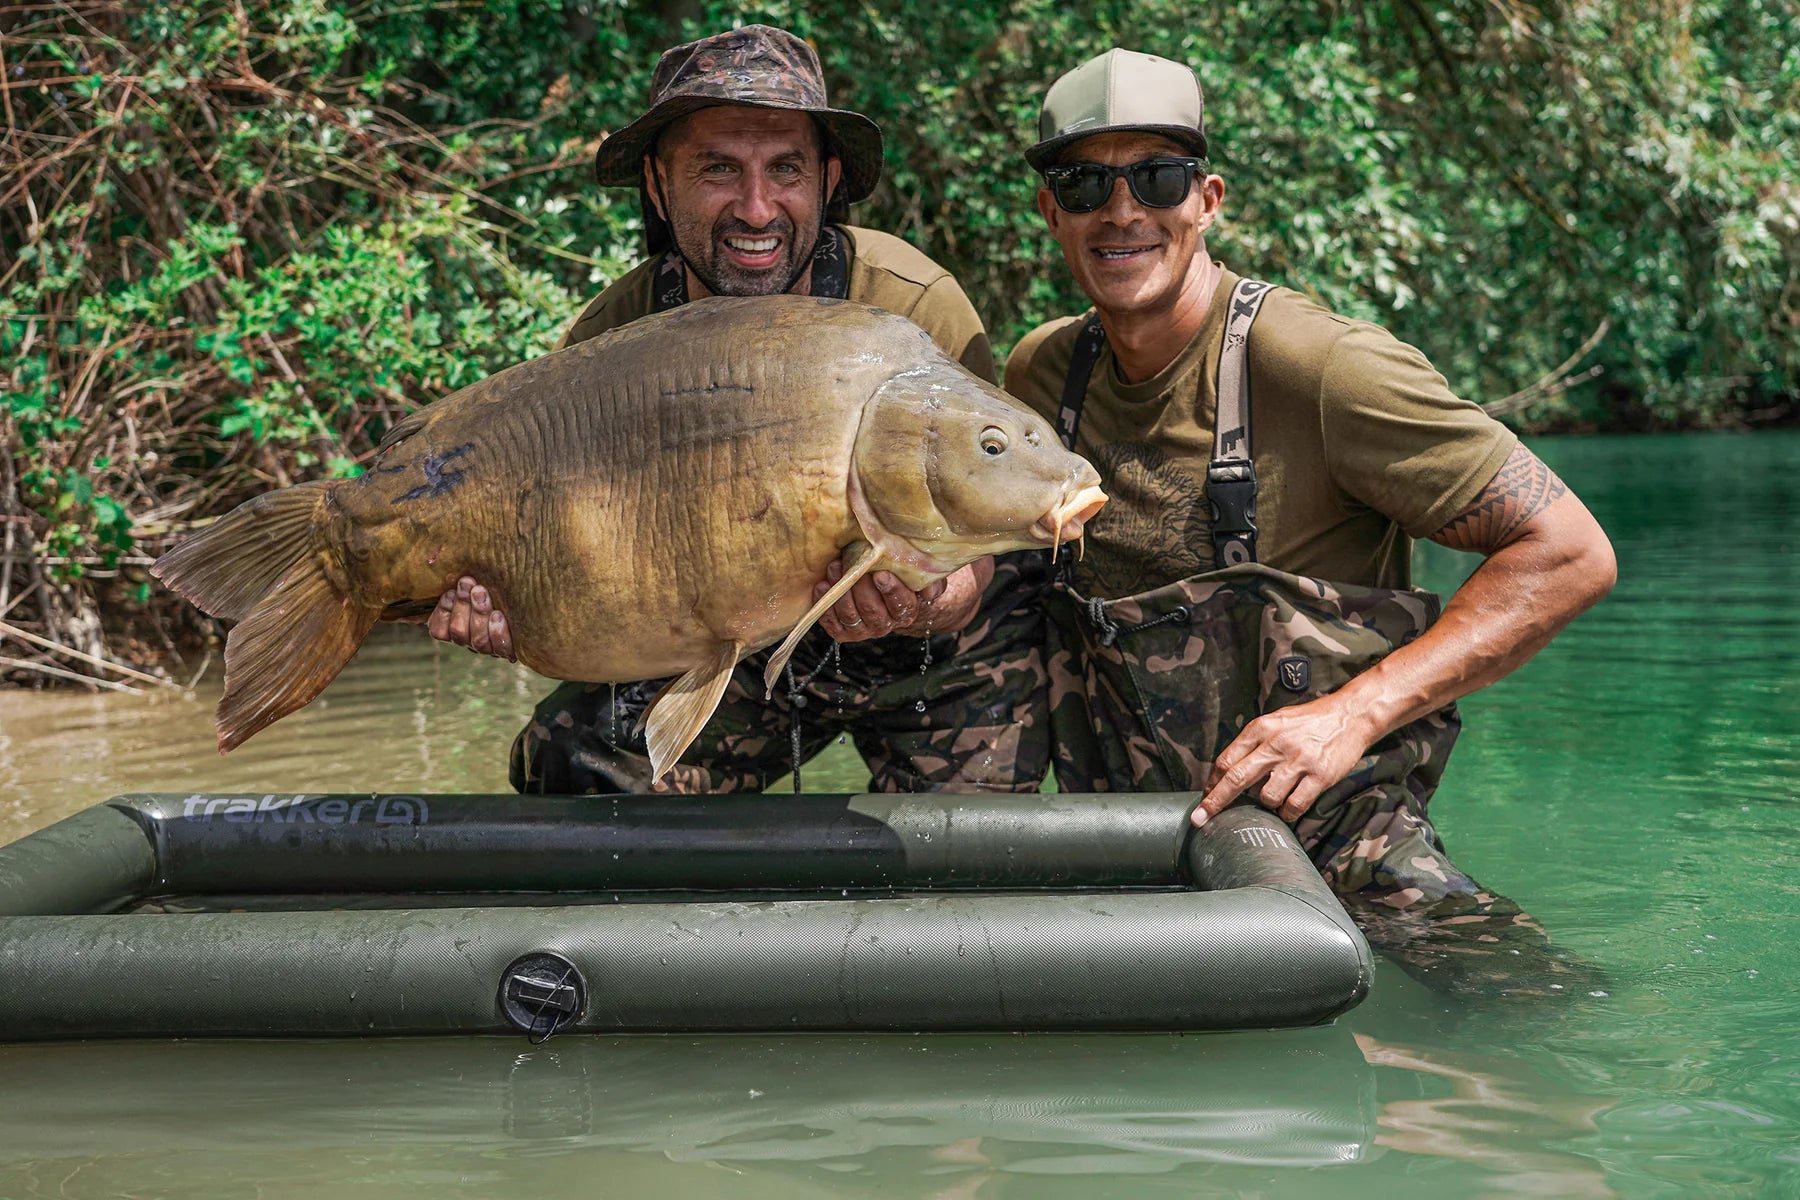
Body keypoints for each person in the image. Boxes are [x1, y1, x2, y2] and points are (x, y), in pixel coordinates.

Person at [1003, 49, 1617, 959]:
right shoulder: (1040, 377)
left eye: (1157, 177)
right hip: (1127, 843)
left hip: (1328, 832)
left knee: (1521, 1004)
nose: (1122, 210)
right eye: (1086, 182)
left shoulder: (1318, 367)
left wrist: (1351, 715)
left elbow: (1569, 551)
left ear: (1207, 200)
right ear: (1051, 210)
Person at [430, 25, 1048, 795]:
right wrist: (517, 610)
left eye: (784, 169)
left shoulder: (909, 307)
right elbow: (591, 573)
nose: (756, 209)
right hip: (732, 648)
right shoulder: (610, 345)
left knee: (983, 861)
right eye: (718, 169)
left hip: (924, 657)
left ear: (825, 180)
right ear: (658, 185)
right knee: (568, 758)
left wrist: (930, 601)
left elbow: (981, 542)